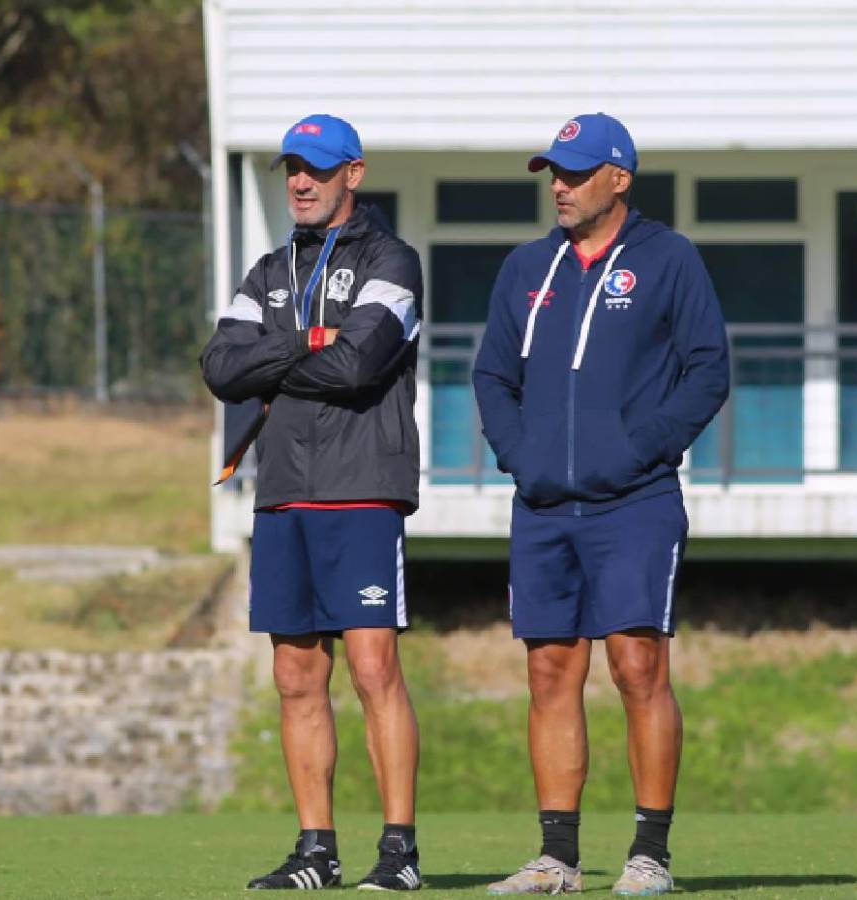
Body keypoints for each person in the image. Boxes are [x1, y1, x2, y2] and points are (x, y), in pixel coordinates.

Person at [473, 113, 729, 896]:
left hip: (636, 501)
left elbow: (707, 370)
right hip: (544, 506)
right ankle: (556, 859)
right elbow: (491, 377)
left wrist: (636, 447)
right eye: (554, 171)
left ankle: (650, 855)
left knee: (637, 664)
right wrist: (523, 457)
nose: (560, 185)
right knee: (549, 669)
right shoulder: (526, 267)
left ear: (619, 177)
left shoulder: (669, 260)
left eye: (577, 172)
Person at [201, 113, 423, 892]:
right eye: (291, 167)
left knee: (372, 669)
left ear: (352, 174)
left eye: (317, 168)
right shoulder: (266, 272)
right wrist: (309, 342)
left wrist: (284, 354)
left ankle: (398, 854)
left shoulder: (393, 260)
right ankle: (316, 852)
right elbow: (221, 367)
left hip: (363, 486)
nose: (300, 180)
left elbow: (360, 365)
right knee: (296, 676)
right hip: (283, 491)